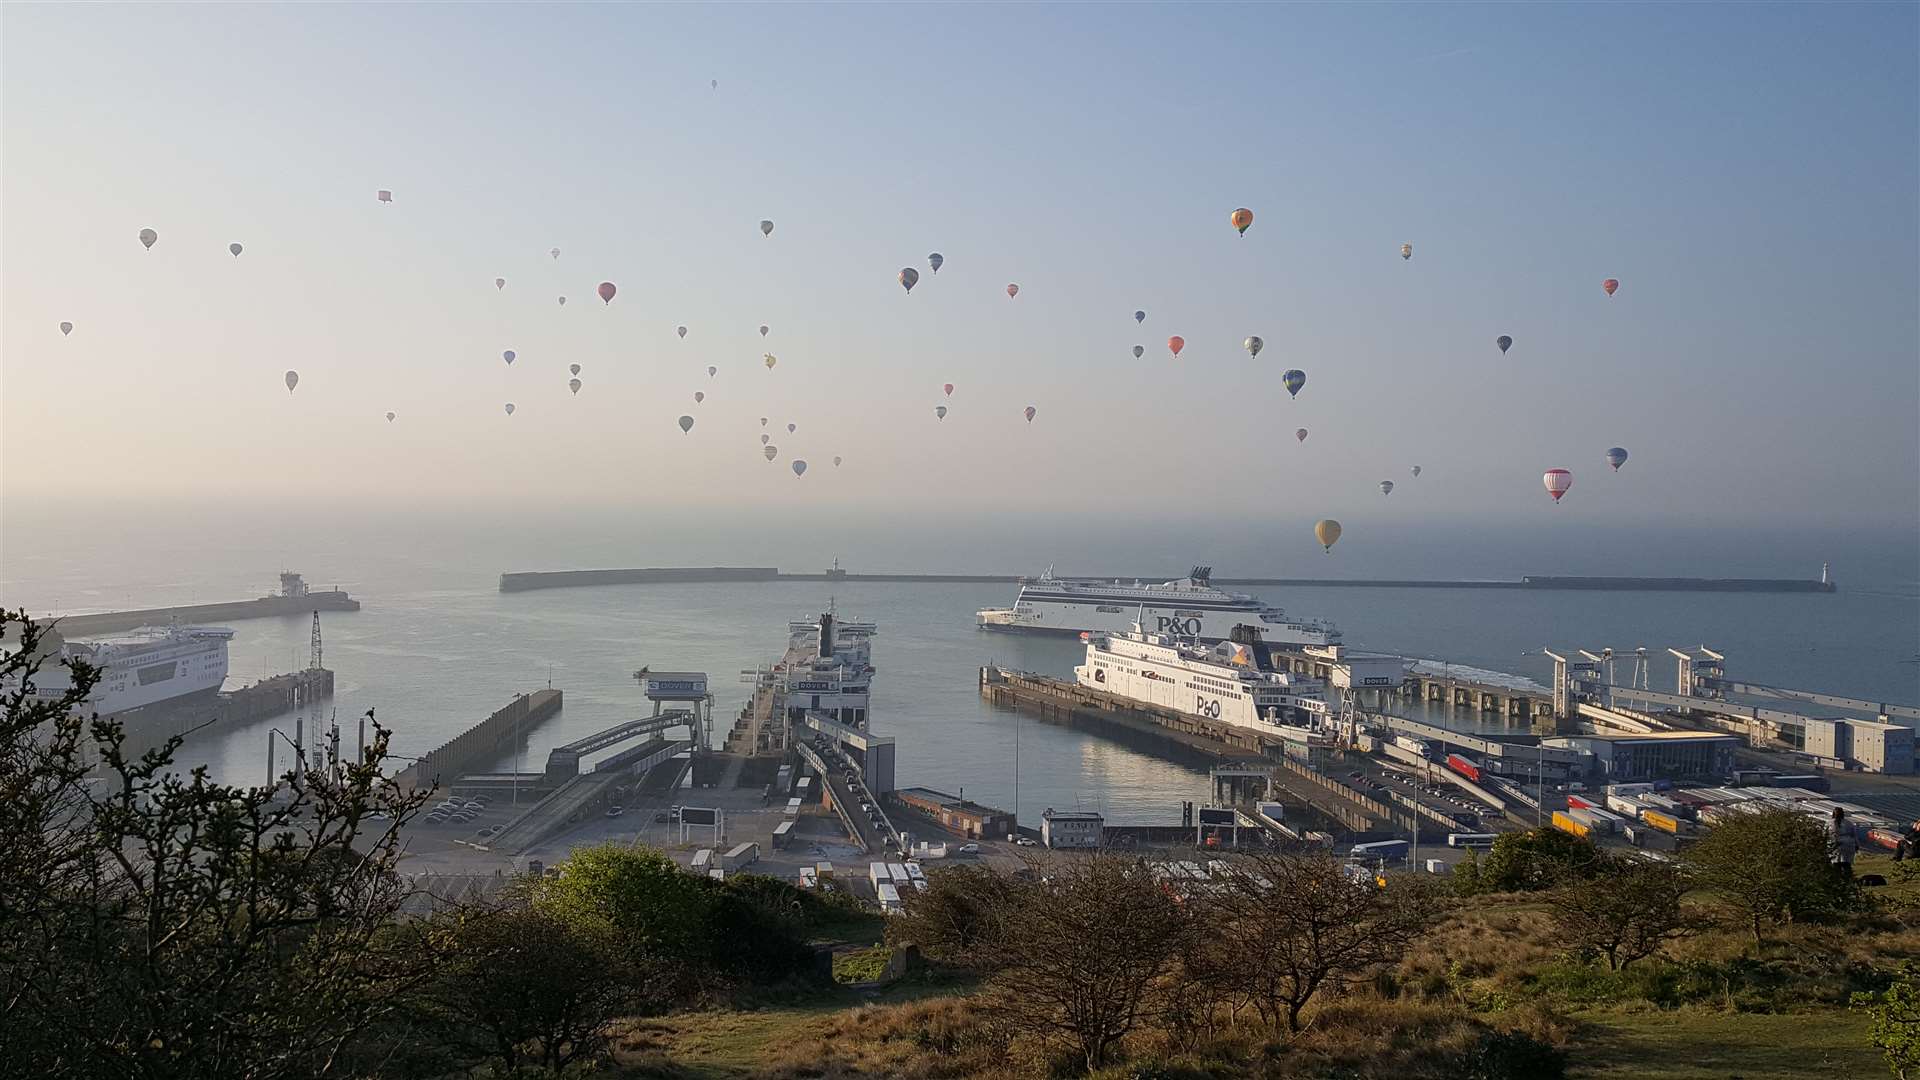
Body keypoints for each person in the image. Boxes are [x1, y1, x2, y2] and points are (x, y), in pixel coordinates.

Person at [1829, 806, 1859, 879]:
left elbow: (1825, 834)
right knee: (1846, 864)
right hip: (1848, 844)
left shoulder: (1829, 823)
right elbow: (1854, 835)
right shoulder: (1849, 823)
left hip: (1835, 844)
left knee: (1836, 864)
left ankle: (1838, 880)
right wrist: (1857, 845)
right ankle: (1848, 879)